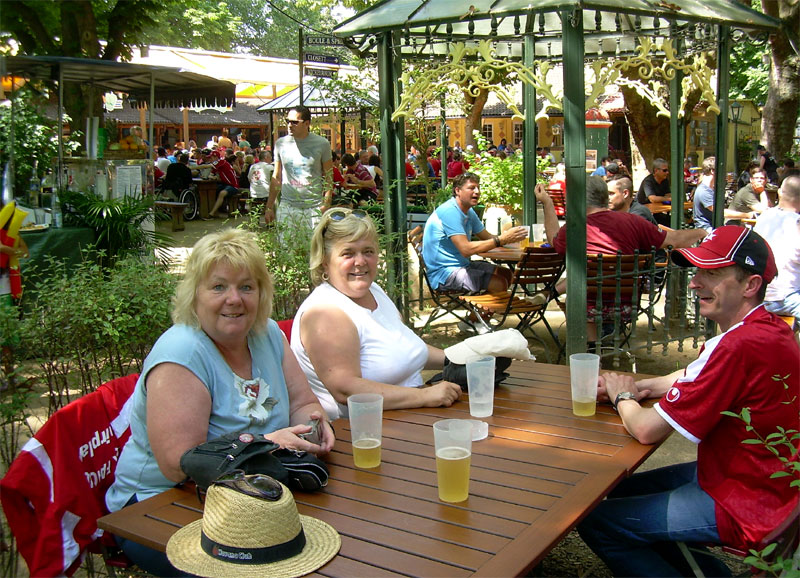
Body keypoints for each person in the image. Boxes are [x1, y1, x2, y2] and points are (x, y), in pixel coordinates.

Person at [105, 229, 335, 576]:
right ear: (194, 295)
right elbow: (179, 464)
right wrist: (270, 443)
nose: (234, 299)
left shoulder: (267, 333)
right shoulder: (181, 354)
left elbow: (303, 401)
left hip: (254, 493)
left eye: (246, 286)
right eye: (218, 287)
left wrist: (315, 424)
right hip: (163, 503)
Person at [577, 225, 798, 577]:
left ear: (750, 285)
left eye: (712, 273)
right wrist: (644, 388)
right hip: (764, 481)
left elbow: (647, 429)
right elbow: (690, 376)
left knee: (598, 520)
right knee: (617, 492)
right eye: (697, 271)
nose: (695, 283)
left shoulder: (739, 346)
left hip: (746, 499)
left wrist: (622, 394)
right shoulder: (767, 329)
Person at [291, 209, 462, 420]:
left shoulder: (374, 291)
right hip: (359, 433)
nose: (360, 261)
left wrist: (462, 358)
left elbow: (404, 348)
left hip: (408, 417)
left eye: (368, 251)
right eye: (348, 253)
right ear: (325, 260)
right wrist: (426, 396)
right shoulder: (325, 312)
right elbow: (346, 390)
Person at [552, 176, 706, 341]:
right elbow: (674, 240)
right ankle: (598, 343)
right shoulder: (634, 221)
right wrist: (704, 232)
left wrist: (548, 204)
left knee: (576, 294)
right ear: (605, 197)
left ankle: (589, 347)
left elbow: (554, 245)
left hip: (586, 307)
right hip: (625, 306)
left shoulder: (573, 228)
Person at [422, 172, 533, 294]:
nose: (477, 191)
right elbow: (466, 250)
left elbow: (488, 237)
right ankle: (480, 312)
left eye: (478, 187)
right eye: (471, 188)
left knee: (506, 274)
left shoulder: (468, 211)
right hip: (444, 274)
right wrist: (501, 240)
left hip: (462, 266)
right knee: (498, 283)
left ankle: (481, 311)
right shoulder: (450, 212)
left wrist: (510, 239)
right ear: (457, 191)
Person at [267, 105, 334, 229]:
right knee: (286, 247)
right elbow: (276, 177)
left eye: (295, 122)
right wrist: (269, 207)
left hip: (313, 206)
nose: (290, 125)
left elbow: (329, 176)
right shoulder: (281, 144)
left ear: (307, 123)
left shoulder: (322, 144)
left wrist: (326, 203)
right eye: (288, 121)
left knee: (312, 247)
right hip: (287, 206)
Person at [754, 174, 800, 326]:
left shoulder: (765, 216)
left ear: (780, 192)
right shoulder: (796, 224)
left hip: (758, 294)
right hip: (785, 297)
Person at [199, 150, 239, 219]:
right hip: (225, 185)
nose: (210, 159)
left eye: (211, 158)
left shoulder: (221, 162)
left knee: (222, 193)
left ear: (215, 157)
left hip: (233, 186)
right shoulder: (216, 165)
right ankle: (213, 211)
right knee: (213, 190)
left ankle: (212, 213)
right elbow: (210, 175)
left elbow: (207, 168)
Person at [692, 156, 717, 232]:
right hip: (706, 229)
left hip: (712, 226)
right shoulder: (704, 191)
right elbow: (719, 212)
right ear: (713, 171)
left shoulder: (710, 188)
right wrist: (747, 215)